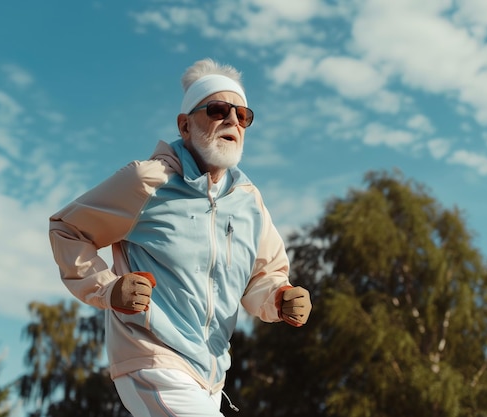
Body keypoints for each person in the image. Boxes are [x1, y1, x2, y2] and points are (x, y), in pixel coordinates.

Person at [48, 58, 312, 417]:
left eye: (242, 115)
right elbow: (68, 229)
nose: (232, 120)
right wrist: (108, 288)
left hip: (211, 377)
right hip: (151, 362)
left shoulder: (249, 202)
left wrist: (280, 298)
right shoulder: (146, 182)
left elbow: (263, 277)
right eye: (218, 110)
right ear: (185, 125)